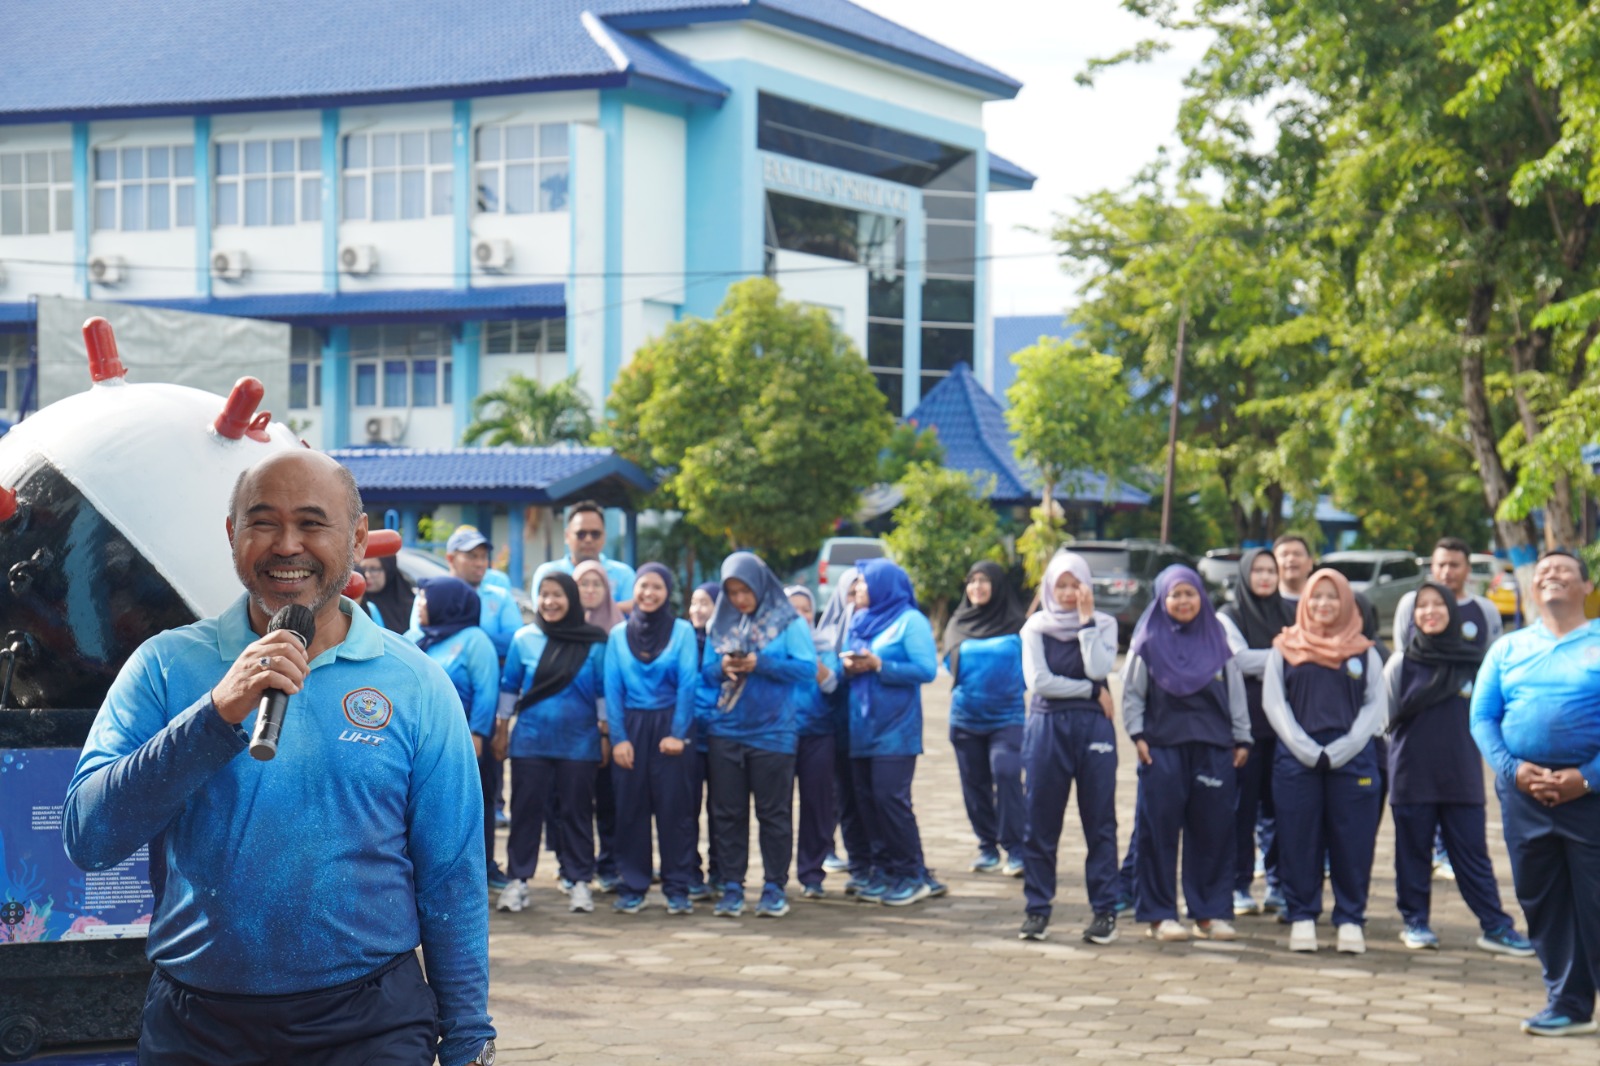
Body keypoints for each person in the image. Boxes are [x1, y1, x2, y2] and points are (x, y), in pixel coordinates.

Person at [61, 450, 494, 1066]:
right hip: (198, 1027)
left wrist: (470, 1037)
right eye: (263, 522)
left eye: (313, 523)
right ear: (233, 535)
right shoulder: (164, 667)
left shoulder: (416, 685)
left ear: (358, 538)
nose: (287, 545)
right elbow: (89, 836)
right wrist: (214, 715)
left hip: (369, 1026)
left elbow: (452, 876)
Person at [1470, 548, 1600, 1037]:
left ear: (1587, 588)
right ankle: (1567, 1003)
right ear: (1531, 588)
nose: (1552, 575)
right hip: (1525, 794)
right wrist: (1512, 769)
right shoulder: (1508, 649)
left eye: (1564, 570)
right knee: (1541, 899)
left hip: (1592, 796)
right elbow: (1483, 717)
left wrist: (1586, 778)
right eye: (1544, 570)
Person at [1383, 582, 1532, 955]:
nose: (1430, 611)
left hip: (1462, 774)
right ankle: (1415, 921)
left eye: (1438, 605)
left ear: (1452, 611)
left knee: (1473, 853)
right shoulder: (1401, 663)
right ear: (1412, 616)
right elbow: (1383, 719)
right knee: (1412, 853)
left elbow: (1493, 717)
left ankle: (1496, 926)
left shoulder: (1476, 662)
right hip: (1411, 775)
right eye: (1422, 606)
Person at [1121, 566, 1251, 942]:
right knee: (1157, 833)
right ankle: (1160, 914)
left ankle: (1211, 912)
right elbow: (1132, 693)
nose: (1182, 601)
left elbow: (1236, 695)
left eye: (1189, 594)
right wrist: (1138, 735)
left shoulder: (1218, 641)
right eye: (1175, 595)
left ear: (1201, 597)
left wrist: (1242, 739)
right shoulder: (1147, 641)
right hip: (1161, 749)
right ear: (1162, 599)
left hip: (1214, 750)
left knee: (1213, 833)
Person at [1263, 568, 1387, 954]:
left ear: (1347, 602)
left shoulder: (1365, 652)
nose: (1323, 604)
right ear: (1305, 601)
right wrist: (1301, 745)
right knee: (1299, 838)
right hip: (1296, 757)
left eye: (1333, 597)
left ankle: (1350, 918)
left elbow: (1374, 706)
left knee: (1354, 841)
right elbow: (1274, 702)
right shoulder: (1284, 648)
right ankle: (1302, 915)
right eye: (1316, 596)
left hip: (1352, 758)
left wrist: (1345, 747)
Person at [701, 553, 816, 917]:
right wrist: (723, 666)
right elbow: (705, 672)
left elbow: (806, 670)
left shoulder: (788, 622)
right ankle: (732, 886)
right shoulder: (721, 623)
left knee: (774, 813)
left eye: (745, 590)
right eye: (732, 592)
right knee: (727, 812)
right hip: (726, 730)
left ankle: (773, 887)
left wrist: (760, 663)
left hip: (773, 733)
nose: (739, 599)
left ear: (761, 584)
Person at [1017, 551, 1121, 945]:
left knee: (1100, 822)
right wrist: (1092, 691)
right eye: (1059, 585)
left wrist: (1086, 622)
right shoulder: (1035, 628)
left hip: (1095, 729)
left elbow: (1098, 666)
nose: (1066, 592)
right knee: (1040, 822)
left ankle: (1105, 911)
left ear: (1086, 587)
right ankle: (1037, 909)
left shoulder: (1104, 623)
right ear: (1048, 587)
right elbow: (1039, 683)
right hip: (1047, 727)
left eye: (1073, 584)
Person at [494, 572, 610, 916]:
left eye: (558, 594)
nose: (550, 602)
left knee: (576, 813)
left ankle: (578, 882)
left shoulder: (594, 641)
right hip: (530, 741)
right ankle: (518, 881)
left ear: (571, 598)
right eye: (544, 595)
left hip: (580, 743)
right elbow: (509, 687)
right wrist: (502, 730)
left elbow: (602, 692)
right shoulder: (524, 639)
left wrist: (605, 735)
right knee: (526, 812)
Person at [602, 563, 698, 914]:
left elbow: (688, 684)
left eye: (657, 587)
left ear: (667, 591)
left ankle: (677, 888)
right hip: (631, 725)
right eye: (643, 586)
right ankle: (633, 885)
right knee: (630, 810)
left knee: (676, 811)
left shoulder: (683, 631)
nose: (649, 593)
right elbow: (612, 690)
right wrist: (619, 739)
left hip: (671, 725)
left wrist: (679, 735)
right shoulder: (617, 635)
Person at [843, 558, 938, 906]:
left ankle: (912, 874)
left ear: (884, 585)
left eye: (864, 584)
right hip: (860, 727)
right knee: (867, 802)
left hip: (896, 730)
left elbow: (927, 669)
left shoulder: (910, 620)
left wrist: (881, 665)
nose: (858, 590)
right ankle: (883, 872)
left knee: (890, 800)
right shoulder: (860, 619)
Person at [1218, 548, 1294, 916]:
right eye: (1258, 570)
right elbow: (1239, 659)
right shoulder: (1228, 616)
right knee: (1240, 810)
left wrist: (1276, 657)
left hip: (1286, 728)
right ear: (1245, 575)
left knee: (1281, 808)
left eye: (1271, 570)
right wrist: (1288, 653)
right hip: (1245, 728)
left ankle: (1278, 884)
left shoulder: (1292, 612)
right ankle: (1238, 883)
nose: (1265, 577)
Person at [412, 575, 501, 891]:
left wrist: (477, 734)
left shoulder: (474, 640)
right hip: (423, 744)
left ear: (445, 603)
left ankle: (475, 873)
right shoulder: (416, 637)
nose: (419, 604)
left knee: (469, 807)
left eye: (425, 598)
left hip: (464, 742)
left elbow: (486, 690)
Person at [943, 560, 1028, 878]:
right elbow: (949, 663)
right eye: (972, 580)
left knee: (1007, 775)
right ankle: (987, 847)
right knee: (974, 785)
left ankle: (1016, 848)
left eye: (984, 581)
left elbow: (1030, 667)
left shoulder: (1018, 624)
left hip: (1007, 717)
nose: (976, 586)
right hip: (965, 718)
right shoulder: (957, 622)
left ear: (997, 585)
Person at [817, 567, 873, 891]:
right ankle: (858, 865)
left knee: (871, 797)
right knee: (845, 799)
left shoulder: (877, 629)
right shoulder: (827, 633)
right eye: (850, 594)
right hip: (836, 729)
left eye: (861, 594)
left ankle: (875, 862)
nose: (856, 602)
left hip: (870, 730)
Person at [785, 585, 841, 899]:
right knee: (777, 808)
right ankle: (775, 874)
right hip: (779, 736)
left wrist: (811, 658)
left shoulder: (826, 645)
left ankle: (812, 874)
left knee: (817, 806)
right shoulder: (775, 644)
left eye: (806, 610)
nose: (801, 616)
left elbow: (833, 685)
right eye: (793, 610)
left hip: (819, 735)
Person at [575, 558, 626, 892]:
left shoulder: (619, 630)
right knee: (574, 802)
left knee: (609, 800)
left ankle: (609, 863)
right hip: (573, 732)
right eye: (583, 584)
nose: (590, 591)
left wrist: (608, 728)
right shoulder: (561, 628)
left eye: (597, 584)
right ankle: (576, 865)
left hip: (608, 727)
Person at [409, 526, 522, 660]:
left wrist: (471, 644)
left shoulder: (500, 596)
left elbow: (514, 641)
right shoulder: (428, 595)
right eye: (472, 556)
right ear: (450, 559)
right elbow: (418, 638)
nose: (480, 563)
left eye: (484, 556)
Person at [1392, 536, 1503, 652]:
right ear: (1432, 568)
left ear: (1468, 569)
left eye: (1454, 565)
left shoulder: (1485, 608)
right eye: (1441, 565)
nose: (1447, 572)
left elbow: (1494, 657)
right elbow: (1401, 652)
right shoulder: (1412, 602)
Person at [530, 500, 637, 613]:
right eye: (581, 534)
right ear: (567, 536)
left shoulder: (624, 574)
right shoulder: (549, 573)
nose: (588, 539)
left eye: (595, 534)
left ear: (604, 536)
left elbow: (635, 610)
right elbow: (543, 611)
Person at [686, 580, 723, 899]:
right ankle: (690, 872)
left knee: (722, 809)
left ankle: (722, 872)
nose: (698, 610)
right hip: (688, 738)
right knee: (687, 809)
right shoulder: (681, 638)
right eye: (694, 603)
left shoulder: (728, 641)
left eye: (706, 603)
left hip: (722, 736)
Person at [358, 553, 413, 633]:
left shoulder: (410, 606)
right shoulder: (357, 602)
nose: (367, 575)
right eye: (363, 569)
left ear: (388, 570)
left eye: (373, 569)